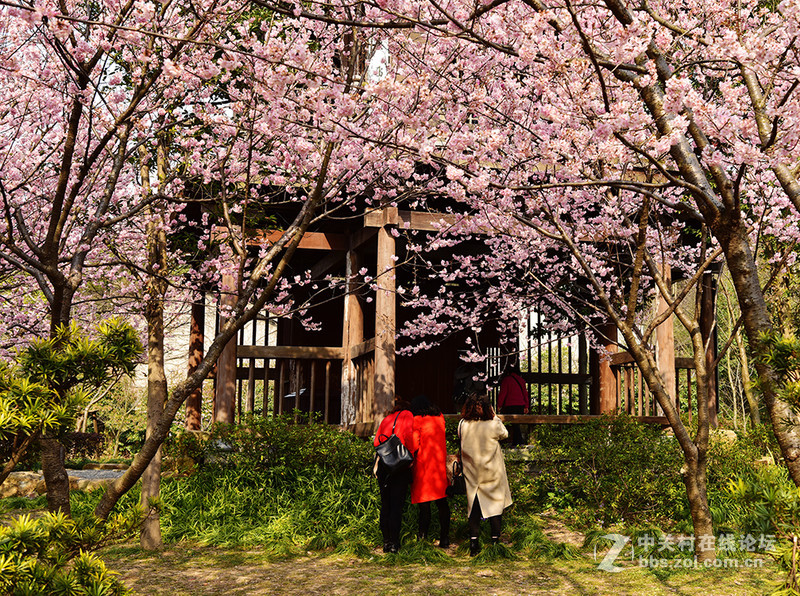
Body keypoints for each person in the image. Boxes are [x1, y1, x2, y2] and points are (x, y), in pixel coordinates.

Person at [459, 394, 513, 556]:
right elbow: (505, 434)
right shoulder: (493, 425)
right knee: (495, 506)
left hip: (472, 471)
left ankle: (474, 542)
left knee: (474, 507)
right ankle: (495, 541)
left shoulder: (463, 424)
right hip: (492, 471)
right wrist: (496, 417)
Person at [373, 399, 414, 553]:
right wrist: (410, 457)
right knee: (397, 505)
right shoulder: (408, 415)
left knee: (386, 504)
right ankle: (395, 544)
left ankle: (386, 542)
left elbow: (377, 441)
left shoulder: (386, 419)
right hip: (400, 465)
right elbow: (409, 437)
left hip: (384, 465)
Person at [410, 394, 451, 548]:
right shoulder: (440, 418)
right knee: (442, 502)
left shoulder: (417, 420)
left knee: (424, 505)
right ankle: (445, 538)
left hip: (423, 466)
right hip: (439, 465)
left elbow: (414, 445)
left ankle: (422, 538)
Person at [497, 362, 529, 446]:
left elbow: (503, 393)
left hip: (509, 405)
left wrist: (499, 405)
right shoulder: (521, 380)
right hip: (520, 405)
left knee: (512, 424)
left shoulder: (506, 380)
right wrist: (526, 406)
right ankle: (517, 442)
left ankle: (517, 442)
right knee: (516, 424)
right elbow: (525, 393)